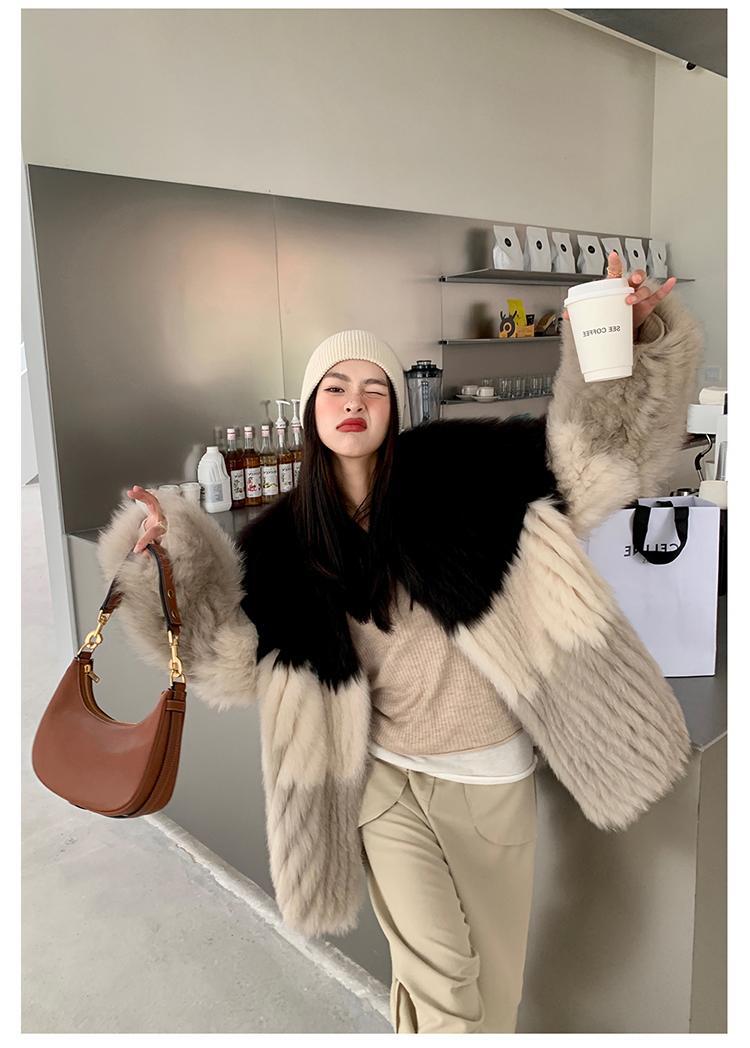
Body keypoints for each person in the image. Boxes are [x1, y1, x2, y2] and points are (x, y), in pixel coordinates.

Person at [97, 253, 702, 1033]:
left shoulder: (466, 471)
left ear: (395, 407)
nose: (354, 400)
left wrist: (626, 344)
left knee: (492, 993)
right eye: (335, 387)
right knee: (445, 987)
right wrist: (163, 563)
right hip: (382, 783)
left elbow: (595, 464)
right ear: (311, 410)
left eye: (372, 387)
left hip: (489, 776)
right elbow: (228, 659)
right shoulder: (282, 541)